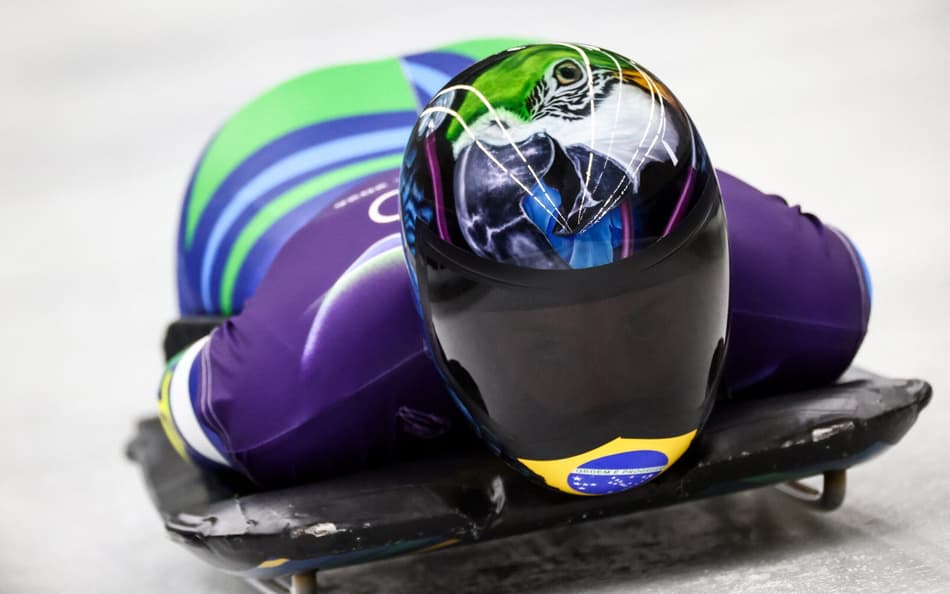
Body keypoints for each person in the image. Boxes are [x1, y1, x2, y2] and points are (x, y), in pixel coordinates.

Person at [158, 38, 871, 489]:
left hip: (519, 103)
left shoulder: (812, 292)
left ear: (715, 267)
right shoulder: (290, 388)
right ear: (431, 308)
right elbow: (190, 396)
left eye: (649, 320)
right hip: (282, 156)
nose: (604, 384)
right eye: (546, 345)